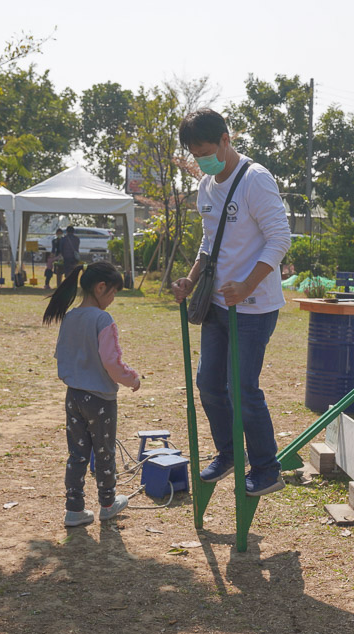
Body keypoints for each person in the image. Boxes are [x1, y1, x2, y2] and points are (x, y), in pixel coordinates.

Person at [171, 108, 292, 497]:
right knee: (208, 383)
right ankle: (227, 453)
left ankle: (266, 467)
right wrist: (191, 279)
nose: (202, 159)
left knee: (241, 387)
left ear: (226, 139)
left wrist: (246, 285)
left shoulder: (255, 180)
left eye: (206, 150)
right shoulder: (206, 185)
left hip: (254, 306)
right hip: (217, 306)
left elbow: (280, 239)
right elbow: (210, 243)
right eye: (195, 153)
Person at [43, 261, 141, 527]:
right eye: (113, 293)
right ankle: (108, 503)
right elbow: (112, 363)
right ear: (101, 288)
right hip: (100, 400)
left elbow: (61, 355)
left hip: (73, 397)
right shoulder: (102, 319)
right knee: (104, 451)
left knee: (77, 454)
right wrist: (132, 379)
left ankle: (74, 509)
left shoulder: (71, 317)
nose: (112, 299)